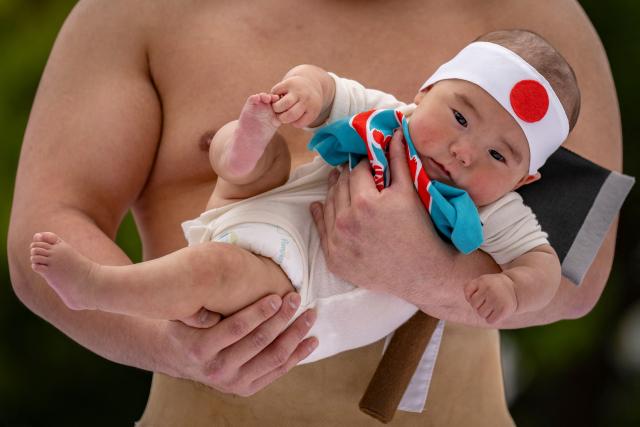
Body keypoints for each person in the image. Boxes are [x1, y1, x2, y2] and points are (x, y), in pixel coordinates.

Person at [7, 0, 622, 425]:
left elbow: (573, 277)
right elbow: (52, 220)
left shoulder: (538, 28)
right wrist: (173, 346)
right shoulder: (133, 11)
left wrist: (421, 273)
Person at [29, 30, 573, 345]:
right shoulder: (390, 115)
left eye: (499, 155)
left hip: (292, 281)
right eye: (458, 117)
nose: (465, 151)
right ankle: (243, 143)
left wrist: (511, 291)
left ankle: (100, 288)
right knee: (250, 149)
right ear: (425, 91)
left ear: (525, 179)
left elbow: (560, 271)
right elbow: (330, 86)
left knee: (212, 270)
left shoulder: (500, 209)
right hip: (262, 202)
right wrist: (305, 93)